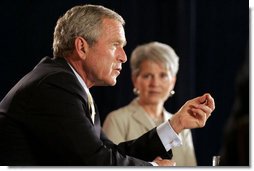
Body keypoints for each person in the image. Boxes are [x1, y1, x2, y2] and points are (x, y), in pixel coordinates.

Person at [0, 4, 215, 166]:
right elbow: (96, 162)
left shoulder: (70, 85)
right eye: (116, 45)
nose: (123, 56)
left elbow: (112, 152)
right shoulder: (55, 86)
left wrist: (176, 124)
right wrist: (153, 167)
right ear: (82, 47)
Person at [103, 42, 197, 166]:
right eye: (147, 76)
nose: (155, 83)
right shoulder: (117, 119)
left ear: (173, 81)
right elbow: (109, 166)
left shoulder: (183, 126)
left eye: (163, 75)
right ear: (135, 79)